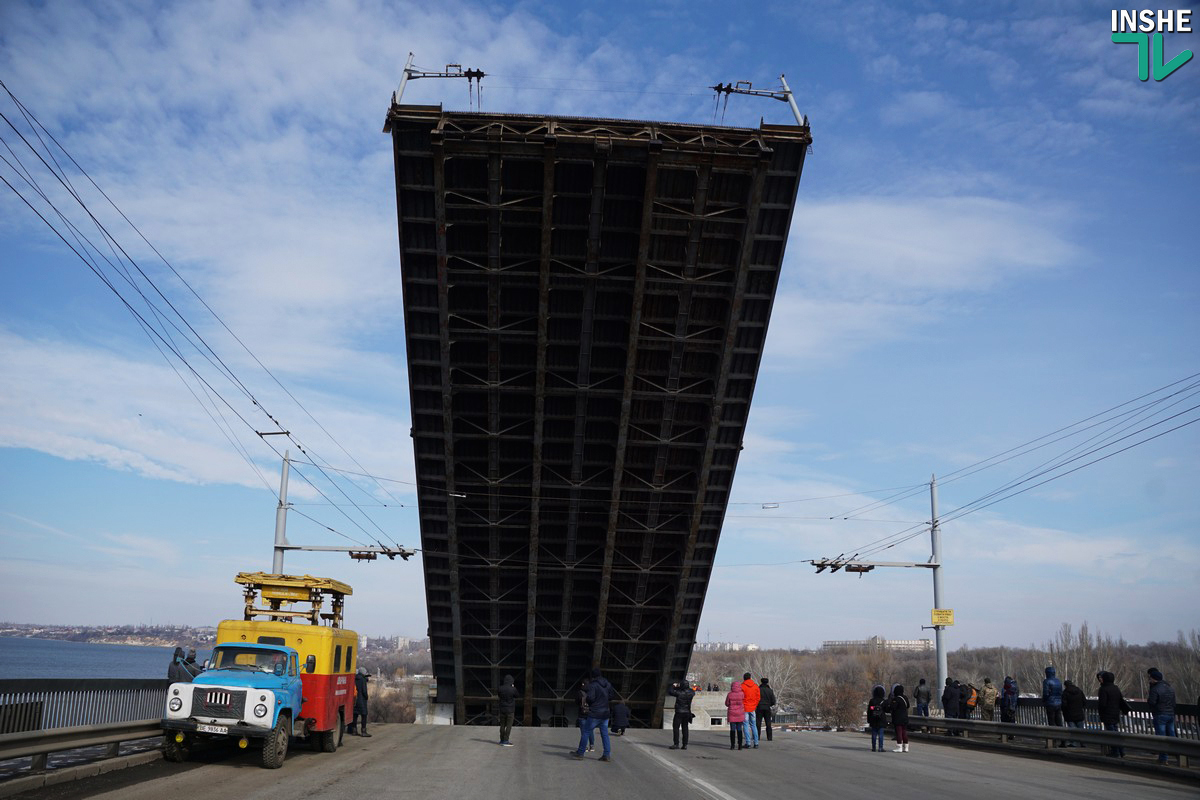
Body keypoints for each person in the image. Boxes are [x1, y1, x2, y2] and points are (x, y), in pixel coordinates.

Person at [574, 667, 616, 762]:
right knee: (604, 734)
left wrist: (593, 702)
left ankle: (580, 753)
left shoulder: (593, 685)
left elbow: (590, 698)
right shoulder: (608, 684)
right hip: (605, 713)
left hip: (595, 713)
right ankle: (606, 755)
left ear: (592, 676)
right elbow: (611, 696)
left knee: (586, 732)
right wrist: (603, 700)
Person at [1146, 667, 1177, 765]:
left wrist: (1149, 701)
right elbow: (1174, 702)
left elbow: (1152, 702)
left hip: (1160, 714)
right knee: (1172, 734)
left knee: (1161, 737)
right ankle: (1178, 753)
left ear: (1154, 679)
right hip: (1170, 714)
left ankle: (1163, 758)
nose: (1149, 680)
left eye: (1150, 678)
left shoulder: (1155, 689)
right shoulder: (1169, 688)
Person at [1096, 670, 1130, 758]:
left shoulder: (1103, 689)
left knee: (1111, 734)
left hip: (1107, 714)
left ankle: (1115, 752)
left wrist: (1101, 713)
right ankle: (1121, 751)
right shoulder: (1116, 688)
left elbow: (1102, 704)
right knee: (1116, 733)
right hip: (1115, 713)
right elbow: (1120, 700)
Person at [668, 680, 695, 750]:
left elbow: (670, 692)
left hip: (679, 712)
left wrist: (674, 686)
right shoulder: (692, 692)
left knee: (676, 728)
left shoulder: (679, 693)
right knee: (685, 728)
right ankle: (685, 744)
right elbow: (691, 691)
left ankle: (676, 744)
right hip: (687, 712)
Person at [1042, 666, 1065, 745]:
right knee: (1059, 722)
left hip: (1050, 703)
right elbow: (1061, 692)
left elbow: (1046, 693)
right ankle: (1063, 741)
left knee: (1051, 723)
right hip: (1058, 703)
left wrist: (1044, 700)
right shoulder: (1058, 681)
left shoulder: (1046, 681)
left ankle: (1053, 741)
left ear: (1047, 673)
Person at [1061, 679, 1086, 747]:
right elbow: (1084, 701)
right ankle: (1083, 743)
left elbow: (1064, 705)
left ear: (1065, 685)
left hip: (1069, 714)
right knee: (1081, 730)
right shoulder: (1079, 691)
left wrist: (1064, 711)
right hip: (1079, 713)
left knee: (1072, 730)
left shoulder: (1065, 693)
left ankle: (1074, 743)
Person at [346, 667, 371, 736]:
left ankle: (354, 731)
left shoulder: (354, 678)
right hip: (362, 700)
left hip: (355, 700)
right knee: (364, 715)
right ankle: (363, 731)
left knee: (355, 715)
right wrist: (366, 697)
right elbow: (364, 691)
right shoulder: (363, 679)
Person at [887, 684, 910, 752]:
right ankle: (906, 747)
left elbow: (892, 707)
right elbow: (908, 705)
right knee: (904, 732)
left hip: (898, 718)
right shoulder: (905, 698)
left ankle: (899, 746)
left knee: (899, 732)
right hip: (905, 717)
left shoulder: (896, 699)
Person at [496, 673, 518, 746]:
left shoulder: (500, 688)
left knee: (502, 725)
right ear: (511, 681)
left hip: (502, 709)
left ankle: (502, 740)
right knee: (509, 725)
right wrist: (513, 687)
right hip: (510, 710)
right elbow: (517, 696)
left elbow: (499, 695)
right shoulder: (513, 689)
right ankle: (506, 740)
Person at [741, 673, 760, 749]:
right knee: (753, 725)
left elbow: (741, 697)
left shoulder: (742, 686)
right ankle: (756, 743)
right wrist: (755, 705)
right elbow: (758, 697)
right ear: (750, 678)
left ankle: (748, 743)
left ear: (744, 678)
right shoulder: (755, 686)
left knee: (745, 725)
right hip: (752, 708)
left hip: (745, 708)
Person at [725, 681, 746, 750]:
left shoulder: (730, 694)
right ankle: (740, 745)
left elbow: (727, 703)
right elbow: (744, 701)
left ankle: (732, 745)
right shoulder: (742, 694)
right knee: (739, 729)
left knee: (732, 729)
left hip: (732, 713)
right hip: (740, 713)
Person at [576, 678, 595, 752]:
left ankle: (585, 747)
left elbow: (576, 702)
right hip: (590, 713)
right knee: (590, 730)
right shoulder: (592, 692)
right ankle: (592, 746)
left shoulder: (580, 692)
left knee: (584, 732)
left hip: (582, 714)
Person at [867, 685, 887, 752]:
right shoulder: (883, 701)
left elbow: (870, 710)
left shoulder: (872, 701)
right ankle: (880, 747)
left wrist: (869, 719)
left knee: (874, 734)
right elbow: (886, 709)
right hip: (881, 719)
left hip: (873, 719)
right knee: (881, 734)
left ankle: (874, 747)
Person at [757, 677, 776, 742]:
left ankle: (757, 736)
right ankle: (769, 737)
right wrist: (769, 704)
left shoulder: (758, 689)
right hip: (767, 707)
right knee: (768, 723)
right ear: (767, 682)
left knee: (758, 723)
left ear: (761, 682)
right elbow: (773, 701)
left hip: (759, 707)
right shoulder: (770, 691)